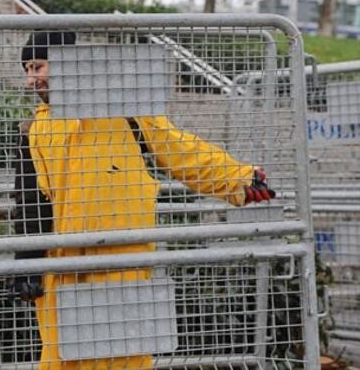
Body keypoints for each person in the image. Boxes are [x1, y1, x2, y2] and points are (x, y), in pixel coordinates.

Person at [16, 30, 275, 369]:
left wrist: (237, 179)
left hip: (123, 258)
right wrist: (27, 259)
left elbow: (180, 149)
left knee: (125, 356)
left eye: (39, 67)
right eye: (27, 70)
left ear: (66, 63)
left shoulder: (124, 109)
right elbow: (31, 199)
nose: (31, 79)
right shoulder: (36, 128)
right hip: (62, 264)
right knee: (61, 359)